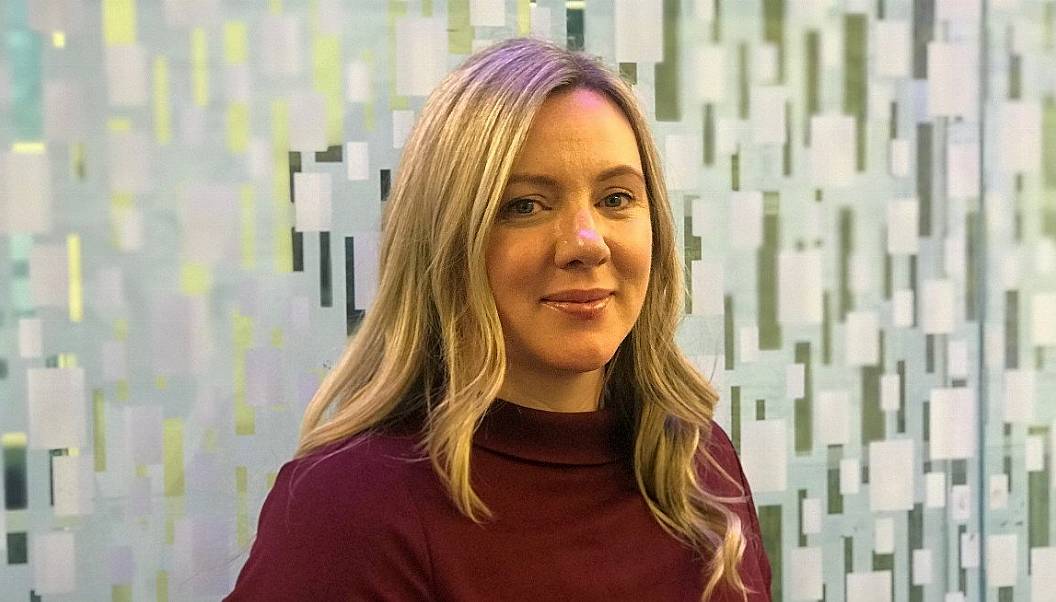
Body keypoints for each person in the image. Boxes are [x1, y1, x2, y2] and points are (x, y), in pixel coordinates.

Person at [225, 37, 772, 601]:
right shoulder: (349, 510)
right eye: (525, 205)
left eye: (615, 199)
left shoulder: (699, 466)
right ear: (446, 243)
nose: (586, 243)